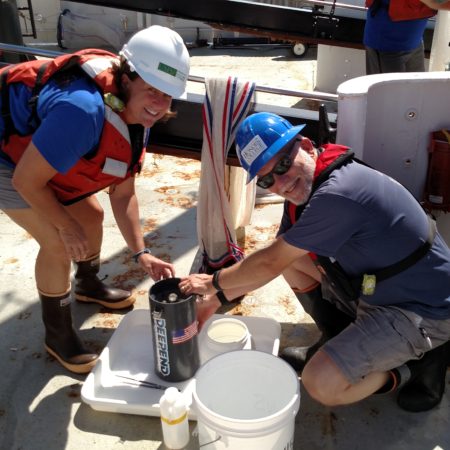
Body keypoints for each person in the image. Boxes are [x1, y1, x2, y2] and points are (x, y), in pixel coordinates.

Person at [180, 112, 450, 412]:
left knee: (321, 383)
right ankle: (338, 338)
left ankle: (414, 367)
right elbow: (277, 259)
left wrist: (213, 281)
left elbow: (269, 262)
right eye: (267, 179)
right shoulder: (304, 193)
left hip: (424, 308)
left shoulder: (340, 192)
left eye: (283, 164)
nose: (281, 182)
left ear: (307, 146)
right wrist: (216, 299)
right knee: (291, 262)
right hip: (374, 288)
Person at [0, 25, 190, 374]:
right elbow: (26, 181)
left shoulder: (136, 110)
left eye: (168, 95)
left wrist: (141, 253)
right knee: (59, 241)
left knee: (90, 216)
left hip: (39, 151)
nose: (160, 105)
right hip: (8, 159)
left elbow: (124, 193)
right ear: (127, 77)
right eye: (152, 90)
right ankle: (57, 335)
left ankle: (87, 284)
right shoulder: (82, 111)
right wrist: (63, 225)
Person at [364, 0, 450, 74]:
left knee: (417, 89)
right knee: (390, 91)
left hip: (414, 41)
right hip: (388, 44)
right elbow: (434, 2)